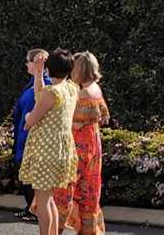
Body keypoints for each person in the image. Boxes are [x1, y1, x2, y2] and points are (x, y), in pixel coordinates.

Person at [19, 48, 78, 235]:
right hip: (61, 149)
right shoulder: (71, 88)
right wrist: (38, 74)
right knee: (49, 199)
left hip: (46, 150)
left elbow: (30, 120)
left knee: (43, 201)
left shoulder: (52, 93)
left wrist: (28, 115)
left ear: (50, 68)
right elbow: (40, 96)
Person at [53, 52, 110, 235]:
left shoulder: (81, 93)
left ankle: (56, 229)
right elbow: (103, 118)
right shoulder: (96, 89)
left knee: (65, 189)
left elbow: (69, 120)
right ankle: (87, 230)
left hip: (78, 146)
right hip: (93, 144)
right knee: (88, 190)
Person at [12, 49, 52, 223]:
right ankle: (29, 206)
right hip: (23, 132)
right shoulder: (31, 83)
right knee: (24, 172)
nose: (26, 64)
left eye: (28, 61)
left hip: (31, 134)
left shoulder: (46, 84)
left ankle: (34, 209)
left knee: (31, 175)